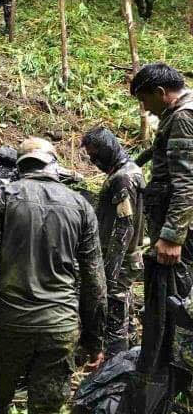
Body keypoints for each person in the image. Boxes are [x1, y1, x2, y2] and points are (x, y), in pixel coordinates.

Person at [0, 137, 107, 414]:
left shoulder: (1, 197)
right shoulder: (81, 205)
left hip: (11, 324)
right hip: (60, 327)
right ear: (53, 165)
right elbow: (95, 280)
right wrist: (95, 340)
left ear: (20, 167)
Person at [81, 127, 145, 356]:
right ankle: (132, 359)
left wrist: (110, 271)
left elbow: (124, 227)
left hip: (120, 260)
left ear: (107, 149)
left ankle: (115, 365)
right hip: (126, 258)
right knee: (125, 313)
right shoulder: (129, 171)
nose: (94, 161)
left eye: (95, 155)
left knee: (114, 320)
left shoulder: (123, 178)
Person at [130, 63, 193, 266]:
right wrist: (131, 164)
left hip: (179, 226)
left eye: (144, 100)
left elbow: (186, 181)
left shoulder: (183, 117)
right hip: (180, 220)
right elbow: (163, 147)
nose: (146, 108)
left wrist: (172, 237)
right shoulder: (181, 111)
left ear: (160, 92)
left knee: (172, 283)